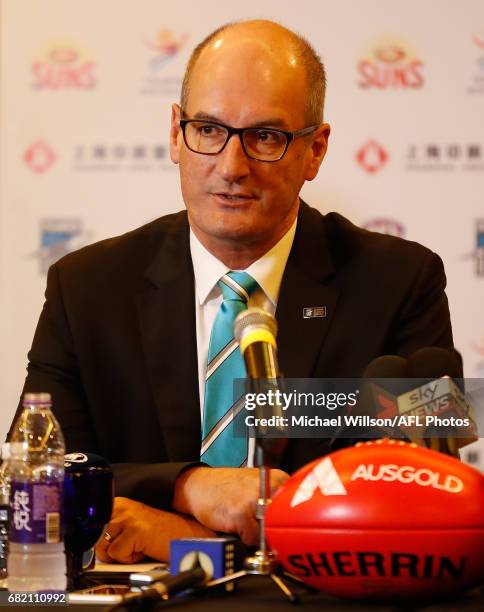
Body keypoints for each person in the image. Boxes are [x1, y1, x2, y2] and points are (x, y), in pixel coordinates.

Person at [12, 20, 455, 563]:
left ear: (315, 150)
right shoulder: (86, 287)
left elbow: (423, 499)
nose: (231, 166)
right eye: (209, 130)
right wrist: (190, 486)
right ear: (176, 134)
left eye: (265, 136)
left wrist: (187, 538)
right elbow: (38, 480)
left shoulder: (402, 282)